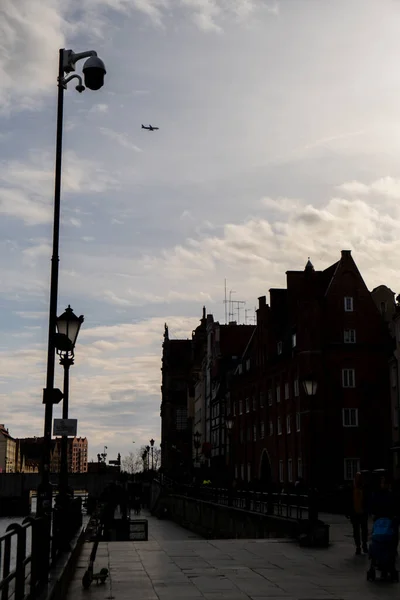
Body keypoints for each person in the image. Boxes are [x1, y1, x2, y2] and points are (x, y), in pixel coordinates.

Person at [347, 472, 369, 555]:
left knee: (363, 530)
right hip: (355, 513)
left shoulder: (364, 489)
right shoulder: (352, 490)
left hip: (362, 512)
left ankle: (363, 545)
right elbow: (349, 502)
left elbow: (367, 500)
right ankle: (359, 546)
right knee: (357, 531)